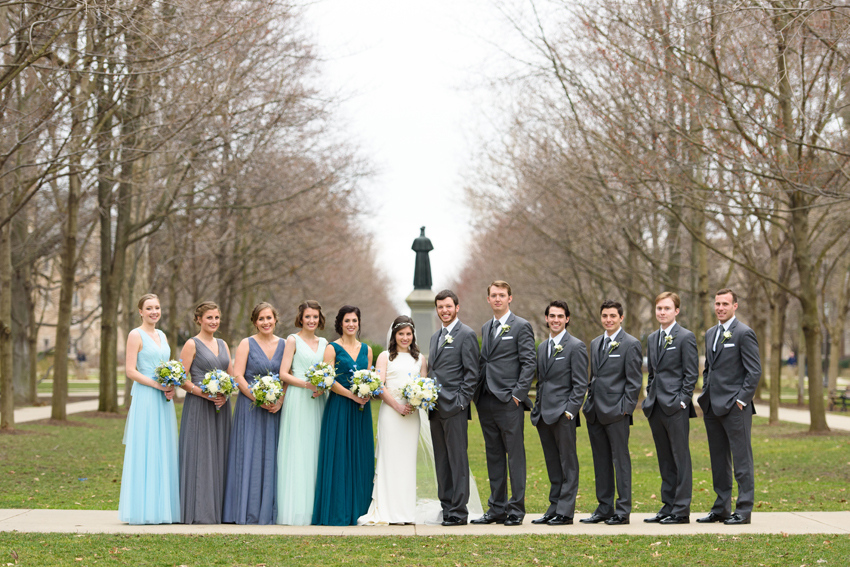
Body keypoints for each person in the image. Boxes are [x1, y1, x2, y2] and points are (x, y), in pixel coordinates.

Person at [472, 280, 535, 527]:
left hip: (509, 402)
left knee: (515, 456)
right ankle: (496, 509)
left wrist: (518, 395)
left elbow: (529, 362)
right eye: (493, 295)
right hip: (486, 400)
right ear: (488, 299)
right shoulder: (486, 326)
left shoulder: (521, 326)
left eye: (502, 295)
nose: (497, 299)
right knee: (493, 455)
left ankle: (516, 510)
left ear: (510, 298)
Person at [697, 288, 762, 525]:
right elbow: (709, 369)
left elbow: (754, 371)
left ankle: (743, 510)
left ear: (735, 305)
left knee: (742, 460)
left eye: (725, 303)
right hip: (712, 407)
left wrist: (741, 400)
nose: (720, 308)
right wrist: (705, 393)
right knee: (718, 460)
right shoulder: (710, 332)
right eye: (717, 303)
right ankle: (721, 508)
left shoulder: (744, 333)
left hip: (736, 408)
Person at [358, 316, 428, 525]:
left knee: (406, 462)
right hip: (391, 413)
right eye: (401, 334)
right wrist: (397, 405)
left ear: (413, 335)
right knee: (390, 460)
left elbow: (425, 385)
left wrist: (417, 401)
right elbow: (379, 386)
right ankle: (388, 510)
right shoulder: (385, 357)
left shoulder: (420, 359)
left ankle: (405, 512)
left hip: (411, 416)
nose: (405, 338)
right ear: (394, 335)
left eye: (408, 334)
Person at [118, 293, 180, 524]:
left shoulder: (162, 335)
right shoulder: (135, 334)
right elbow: (130, 370)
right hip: (146, 396)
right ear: (141, 312)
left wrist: (171, 385)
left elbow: (166, 366)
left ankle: (163, 508)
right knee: (147, 446)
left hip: (163, 398)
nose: (154, 311)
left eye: (157, 307)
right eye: (149, 308)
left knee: (163, 446)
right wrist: (156, 384)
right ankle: (143, 509)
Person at [581, 299, 642, 526]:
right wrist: (588, 402)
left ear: (621, 318)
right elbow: (594, 376)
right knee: (601, 461)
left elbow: (634, 382)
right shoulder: (596, 342)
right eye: (605, 316)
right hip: (595, 412)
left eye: (613, 316)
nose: (608, 319)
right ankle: (604, 508)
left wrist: (625, 410)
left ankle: (622, 510)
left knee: (620, 461)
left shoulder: (631, 343)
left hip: (617, 413)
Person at [312, 306, 375, 526]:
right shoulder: (332, 348)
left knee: (360, 456)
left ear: (359, 323)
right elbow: (329, 381)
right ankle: (338, 511)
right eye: (347, 320)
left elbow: (370, 378)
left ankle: (359, 510)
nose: (351, 324)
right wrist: (352, 395)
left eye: (354, 320)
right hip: (339, 407)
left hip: (361, 411)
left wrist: (367, 393)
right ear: (340, 323)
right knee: (340, 457)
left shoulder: (366, 349)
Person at [222, 302, 284, 525]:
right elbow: (238, 377)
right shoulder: (246, 343)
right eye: (261, 319)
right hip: (249, 408)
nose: (266, 322)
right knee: (248, 454)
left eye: (269, 318)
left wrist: (279, 400)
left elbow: (286, 377)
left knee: (272, 457)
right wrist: (258, 398)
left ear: (275, 319)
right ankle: (244, 510)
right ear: (255, 322)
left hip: (275, 410)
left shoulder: (285, 345)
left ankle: (269, 509)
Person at [642, 292, 698, 525]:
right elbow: (653, 372)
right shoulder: (653, 338)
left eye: (666, 308)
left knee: (680, 458)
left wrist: (683, 400)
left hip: (676, 407)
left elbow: (691, 372)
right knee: (665, 459)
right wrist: (649, 395)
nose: (662, 312)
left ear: (676, 311)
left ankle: (681, 509)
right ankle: (668, 505)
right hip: (655, 406)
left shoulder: (685, 337)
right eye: (659, 309)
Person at [530, 300, 588, 526]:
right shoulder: (543, 347)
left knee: (568, 464)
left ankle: (565, 512)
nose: (555, 320)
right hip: (543, 415)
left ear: (567, 319)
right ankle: (553, 507)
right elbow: (542, 381)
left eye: (560, 316)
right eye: (551, 316)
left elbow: (580, 383)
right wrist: (537, 410)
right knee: (553, 464)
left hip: (564, 415)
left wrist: (570, 411)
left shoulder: (576, 346)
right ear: (546, 319)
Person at [428, 289, 480, 526]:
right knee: (442, 460)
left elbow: (472, 373)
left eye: (448, 306)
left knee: (457, 460)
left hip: (455, 407)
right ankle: (447, 507)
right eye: (440, 307)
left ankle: (459, 512)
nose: (444, 311)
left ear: (457, 307)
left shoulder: (466, 334)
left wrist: (461, 401)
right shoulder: (434, 337)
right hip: (435, 408)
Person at [178, 301, 234, 524]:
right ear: (199, 319)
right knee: (201, 455)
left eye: (216, 318)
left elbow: (232, 376)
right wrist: (203, 394)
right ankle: (199, 510)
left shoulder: (223, 344)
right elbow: (181, 379)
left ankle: (219, 510)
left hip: (220, 406)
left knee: (220, 454)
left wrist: (226, 393)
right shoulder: (191, 344)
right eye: (209, 317)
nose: (213, 322)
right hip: (199, 406)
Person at [276, 300, 329, 525]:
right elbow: (283, 373)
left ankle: (315, 508)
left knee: (315, 448)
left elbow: (328, 371)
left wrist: (322, 386)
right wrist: (307, 385)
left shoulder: (325, 342)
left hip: (318, 401)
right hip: (298, 398)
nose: (311, 321)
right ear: (301, 318)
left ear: (320, 319)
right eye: (308, 316)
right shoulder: (292, 340)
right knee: (298, 449)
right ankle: (297, 510)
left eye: (315, 317)